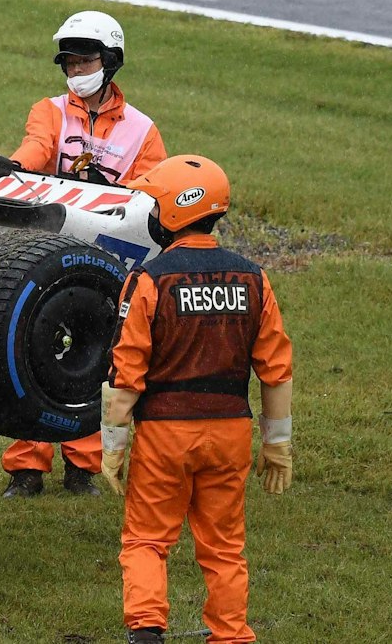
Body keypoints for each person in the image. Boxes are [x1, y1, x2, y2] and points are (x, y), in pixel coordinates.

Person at [100, 155, 294, 644]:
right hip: (230, 433)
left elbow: (126, 374)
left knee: (146, 539)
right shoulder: (254, 278)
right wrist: (278, 445)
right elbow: (275, 370)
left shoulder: (149, 279)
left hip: (165, 435)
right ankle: (231, 636)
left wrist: (113, 446)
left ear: (172, 213)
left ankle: (146, 631)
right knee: (225, 548)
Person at [1, 8, 169, 498]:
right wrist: (14, 168)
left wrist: (111, 190)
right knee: (31, 350)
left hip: (107, 267)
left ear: (110, 62)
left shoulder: (143, 130)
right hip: (49, 258)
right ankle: (26, 469)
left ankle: (83, 466)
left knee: (99, 362)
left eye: (86, 61)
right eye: (70, 64)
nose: (77, 71)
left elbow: (152, 190)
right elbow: (35, 148)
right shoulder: (48, 111)